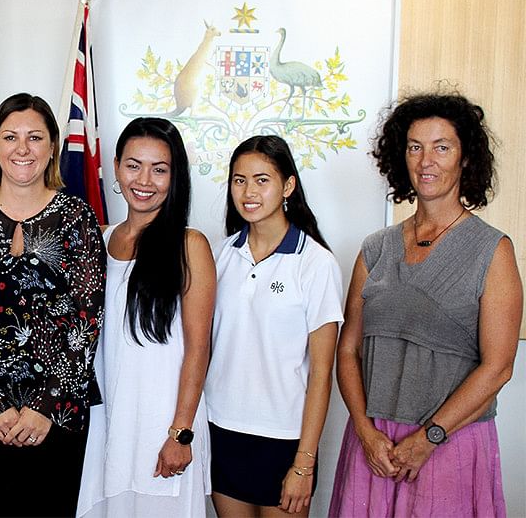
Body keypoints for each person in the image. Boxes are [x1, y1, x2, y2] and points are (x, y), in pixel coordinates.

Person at [330, 94, 522, 517]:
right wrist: (364, 430)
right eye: (415, 146)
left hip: (449, 445)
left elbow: (499, 367)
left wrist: (428, 438)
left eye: (442, 147)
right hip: (373, 445)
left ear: (466, 158)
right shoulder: (375, 249)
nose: (426, 160)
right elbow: (348, 350)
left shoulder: (493, 250)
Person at [0, 93, 106, 517]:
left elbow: (87, 320)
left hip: (55, 413)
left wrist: (44, 406)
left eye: (35, 137)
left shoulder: (78, 218)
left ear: (52, 148)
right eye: (11, 137)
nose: (22, 148)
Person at [76, 117, 216, 518]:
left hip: (162, 428)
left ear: (176, 177)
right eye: (134, 165)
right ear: (117, 166)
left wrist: (180, 432)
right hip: (106, 427)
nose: (145, 180)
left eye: (160, 169)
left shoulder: (190, 246)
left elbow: (198, 348)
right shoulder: (99, 239)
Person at [205, 135, 344, 517]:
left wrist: (304, 463)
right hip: (221, 430)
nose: (248, 192)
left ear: (288, 186)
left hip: (284, 440)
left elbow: (321, 373)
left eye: (262, 180)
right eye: (239, 180)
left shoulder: (316, 263)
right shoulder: (219, 256)